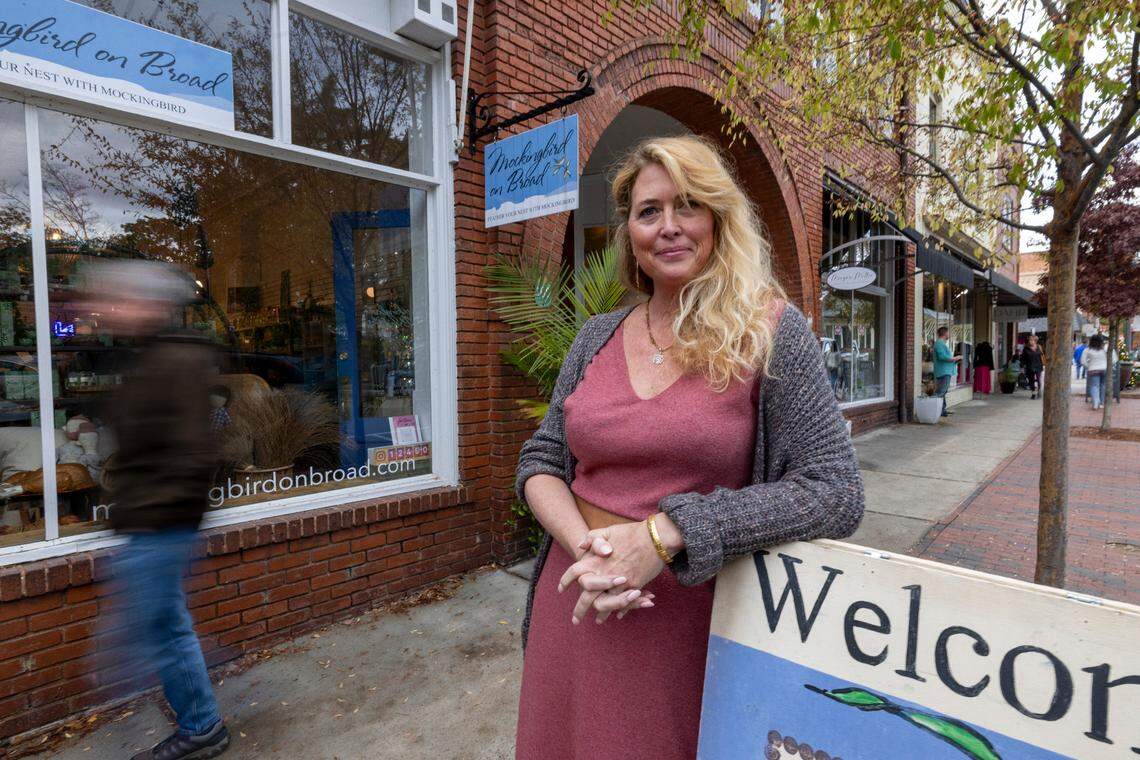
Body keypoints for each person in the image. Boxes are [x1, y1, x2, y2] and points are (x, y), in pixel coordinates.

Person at [513, 135, 864, 759]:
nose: (669, 227)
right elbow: (542, 460)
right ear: (630, 234)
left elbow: (835, 491)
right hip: (576, 607)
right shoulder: (596, 336)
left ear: (718, 220)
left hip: (688, 628)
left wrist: (663, 536)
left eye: (689, 205)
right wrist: (586, 551)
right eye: (649, 211)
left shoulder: (771, 331)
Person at [88, 260, 231, 760]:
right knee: (160, 628)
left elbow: (196, 452)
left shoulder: (175, 361)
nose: (111, 309)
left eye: (121, 300)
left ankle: (202, 723)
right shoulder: (146, 359)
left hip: (160, 522)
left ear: (151, 306)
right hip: (147, 519)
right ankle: (201, 713)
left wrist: (158, 508)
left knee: (157, 634)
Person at [933, 326, 961, 416]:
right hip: (943, 371)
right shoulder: (939, 344)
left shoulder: (941, 343)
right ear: (945, 333)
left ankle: (942, 410)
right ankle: (936, 410)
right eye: (948, 333)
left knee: (943, 391)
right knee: (941, 391)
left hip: (945, 371)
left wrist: (954, 360)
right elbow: (942, 357)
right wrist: (955, 358)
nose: (949, 335)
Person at [1083, 334, 1108, 410]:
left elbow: (1083, 361)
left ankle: (1095, 403)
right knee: (1103, 386)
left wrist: (1089, 366)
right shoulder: (1105, 349)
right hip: (1104, 369)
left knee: (1094, 386)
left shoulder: (1087, 350)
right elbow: (1113, 359)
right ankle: (1101, 403)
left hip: (1093, 370)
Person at [1022, 334, 1044, 399]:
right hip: (1030, 366)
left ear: (1035, 341)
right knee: (1031, 381)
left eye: (1032, 340)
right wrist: (1022, 366)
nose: (1030, 341)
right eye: (1030, 340)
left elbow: (1042, 355)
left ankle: (1039, 391)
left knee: (1038, 380)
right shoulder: (1026, 348)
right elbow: (1023, 358)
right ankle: (1033, 392)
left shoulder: (1039, 347)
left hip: (1038, 366)